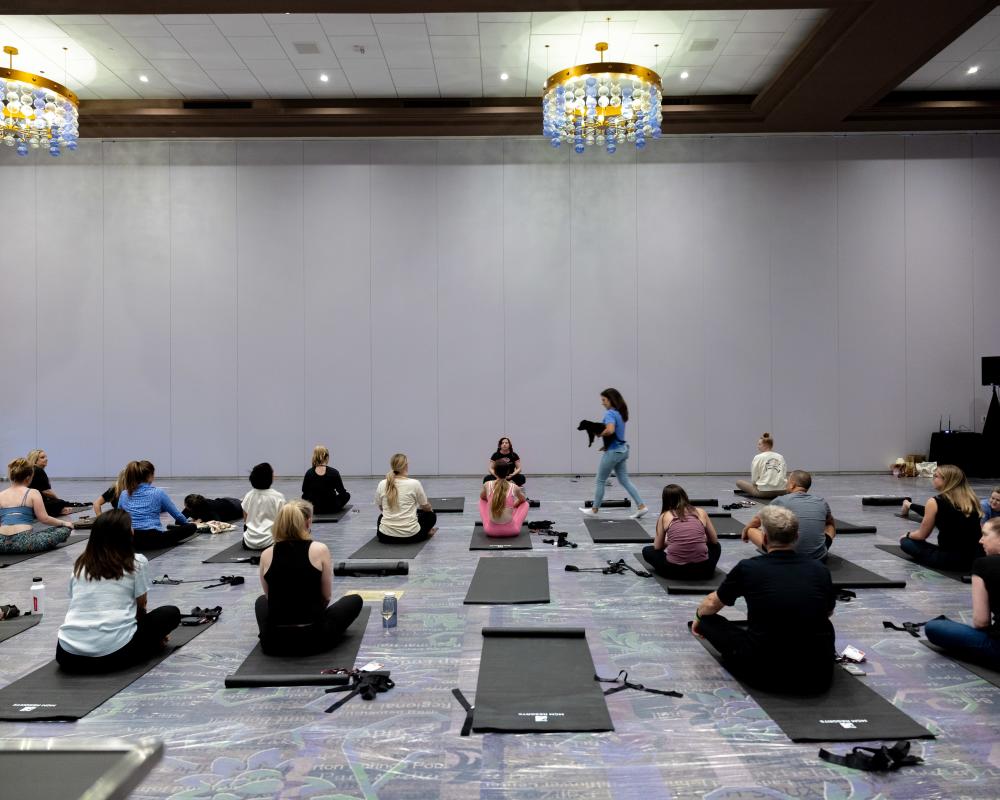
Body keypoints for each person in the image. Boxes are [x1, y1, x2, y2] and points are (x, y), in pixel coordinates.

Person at [691, 505, 836, 695]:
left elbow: (712, 603)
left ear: (765, 539)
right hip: (818, 675)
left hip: (765, 674)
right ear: (797, 537)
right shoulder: (819, 569)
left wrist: (698, 618)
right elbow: (828, 611)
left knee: (708, 621)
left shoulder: (748, 568)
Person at [55, 509, 180, 673]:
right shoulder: (136, 562)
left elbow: (76, 602)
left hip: (67, 655)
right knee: (170, 613)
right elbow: (141, 607)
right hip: (114, 655)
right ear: (127, 534)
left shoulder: (80, 565)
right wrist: (154, 635)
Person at [254, 501, 363, 656]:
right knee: (354, 600)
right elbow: (326, 597)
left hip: (274, 642)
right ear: (307, 522)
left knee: (261, 601)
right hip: (315, 639)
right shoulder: (319, 549)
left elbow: (270, 598)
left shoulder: (266, 554)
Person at [924, 517, 1000, 670]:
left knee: (934, 627)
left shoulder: (984, 564)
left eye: (985, 535)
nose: (980, 540)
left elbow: (981, 622)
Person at [898, 464, 985, 571]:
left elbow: (921, 535)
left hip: (949, 559)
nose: (933, 479)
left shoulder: (935, 501)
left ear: (947, 480)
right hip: (976, 558)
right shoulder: (972, 500)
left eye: (936, 476)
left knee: (906, 542)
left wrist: (907, 534)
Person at [579, 388, 648, 519]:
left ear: (611, 400)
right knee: (624, 480)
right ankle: (641, 506)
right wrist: (606, 445)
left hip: (614, 453)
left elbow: (610, 430)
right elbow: (617, 434)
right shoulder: (620, 413)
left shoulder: (610, 414)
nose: (602, 403)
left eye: (604, 400)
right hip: (623, 450)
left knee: (600, 480)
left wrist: (599, 434)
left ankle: (594, 510)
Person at [742, 470, 834, 560]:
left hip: (787, 556)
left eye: (788, 481)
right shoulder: (821, 501)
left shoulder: (780, 500)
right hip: (819, 557)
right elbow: (830, 523)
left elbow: (756, 521)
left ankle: (775, 552)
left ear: (792, 485)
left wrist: (745, 530)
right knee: (829, 526)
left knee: (751, 530)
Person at [642, 484, 721, 579]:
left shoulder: (665, 516)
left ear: (666, 501)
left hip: (675, 571)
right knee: (716, 546)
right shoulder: (701, 512)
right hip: (704, 570)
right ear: (685, 496)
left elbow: (657, 547)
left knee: (647, 550)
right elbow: (714, 541)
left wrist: (671, 542)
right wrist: (699, 540)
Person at [0, 458, 73, 554]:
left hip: (1, 543)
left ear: (11, 476)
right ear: (28, 478)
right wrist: (64, 523)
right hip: (24, 543)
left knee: (43, 533)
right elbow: (44, 519)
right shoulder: (33, 492)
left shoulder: (1, 494)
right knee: (63, 530)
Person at [117, 460, 196, 549]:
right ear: (150, 476)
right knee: (192, 527)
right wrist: (187, 524)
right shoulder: (158, 492)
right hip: (153, 540)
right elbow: (178, 516)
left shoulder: (124, 494)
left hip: (131, 540)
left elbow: (119, 518)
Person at [375, 453, 436, 543]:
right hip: (411, 536)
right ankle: (427, 531)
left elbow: (381, 508)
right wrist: (430, 510)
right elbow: (425, 507)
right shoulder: (414, 483)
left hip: (385, 536)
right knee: (431, 516)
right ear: (406, 466)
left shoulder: (382, 483)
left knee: (381, 517)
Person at [479, 461, 530, 537]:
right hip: (512, 531)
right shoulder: (514, 487)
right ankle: (509, 516)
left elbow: (483, 497)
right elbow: (523, 500)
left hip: (491, 531)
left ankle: (493, 519)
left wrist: (492, 502)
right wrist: (514, 505)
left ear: (495, 472)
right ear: (508, 472)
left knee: (481, 501)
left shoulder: (487, 484)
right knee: (525, 504)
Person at [242, 462, 285, 551]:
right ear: (269, 478)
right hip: (271, 543)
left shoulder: (248, 496)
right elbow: (283, 522)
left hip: (248, 542)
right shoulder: (278, 497)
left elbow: (245, 521)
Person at [25, 448, 78, 516]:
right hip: (36, 504)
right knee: (59, 503)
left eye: (45, 457)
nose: (46, 459)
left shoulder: (30, 470)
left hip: (29, 503)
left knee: (59, 502)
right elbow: (47, 492)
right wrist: (58, 500)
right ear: (35, 460)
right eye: (42, 457)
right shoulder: (38, 471)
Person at [734, 433, 787, 499]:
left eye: (759, 444)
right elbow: (784, 474)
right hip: (782, 492)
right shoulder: (781, 457)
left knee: (739, 482)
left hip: (763, 493)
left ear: (765, 445)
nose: (757, 446)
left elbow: (754, 480)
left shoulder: (758, 457)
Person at [301, 445, 351, 514]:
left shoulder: (309, 473)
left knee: (304, 497)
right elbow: (342, 492)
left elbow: (304, 491)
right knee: (347, 495)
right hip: (331, 507)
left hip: (315, 508)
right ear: (327, 457)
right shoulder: (334, 472)